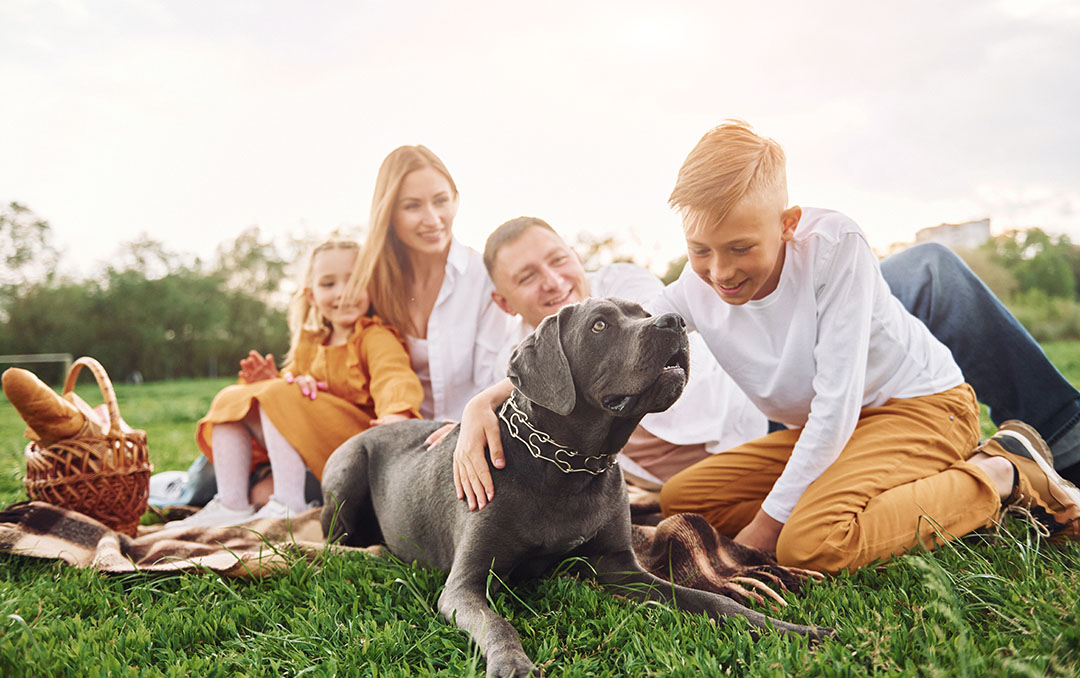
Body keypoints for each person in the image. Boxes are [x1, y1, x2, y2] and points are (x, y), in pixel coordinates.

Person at [648, 120, 1079, 573]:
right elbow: (630, 330)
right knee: (685, 499)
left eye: (740, 248)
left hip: (922, 407)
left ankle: (1004, 472)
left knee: (809, 545)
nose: (720, 272)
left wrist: (764, 529)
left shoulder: (834, 247)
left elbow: (835, 407)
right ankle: (912, 491)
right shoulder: (691, 290)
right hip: (841, 433)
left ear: (787, 224)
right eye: (700, 251)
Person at [454, 216, 1080, 509]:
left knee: (932, 272)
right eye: (528, 276)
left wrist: (485, 398)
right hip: (776, 434)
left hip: (789, 369)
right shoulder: (527, 367)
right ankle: (987, 464)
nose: (556, 280)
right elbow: (522, 396)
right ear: (502, 299)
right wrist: (482, 406)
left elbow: (645, 322)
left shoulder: (621, 289)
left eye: (558, 258)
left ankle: (1065, 433)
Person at [165, 239, 423, 528]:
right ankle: (231, 504)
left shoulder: (375, 337)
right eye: (328, 284)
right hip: (312, 454)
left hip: (355, 451)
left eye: (355, 281)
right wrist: (267, 384)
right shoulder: (310, 344)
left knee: (278, 395)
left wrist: (396, 414)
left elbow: (394, 376)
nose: (343, 293)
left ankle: (289, 503)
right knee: (232, 398)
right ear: (311, 296)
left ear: (372, 286)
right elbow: (288, 396)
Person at [343, 145, 515, 423]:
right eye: (412, 206)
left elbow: (491, 382)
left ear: (456, 200)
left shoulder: (483, 277)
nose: (433, 220)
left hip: (466, 436)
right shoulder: (370, 282)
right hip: (388, 436)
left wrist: (461, 432)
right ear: (388, 214)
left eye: (441, 201)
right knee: (268, 396)